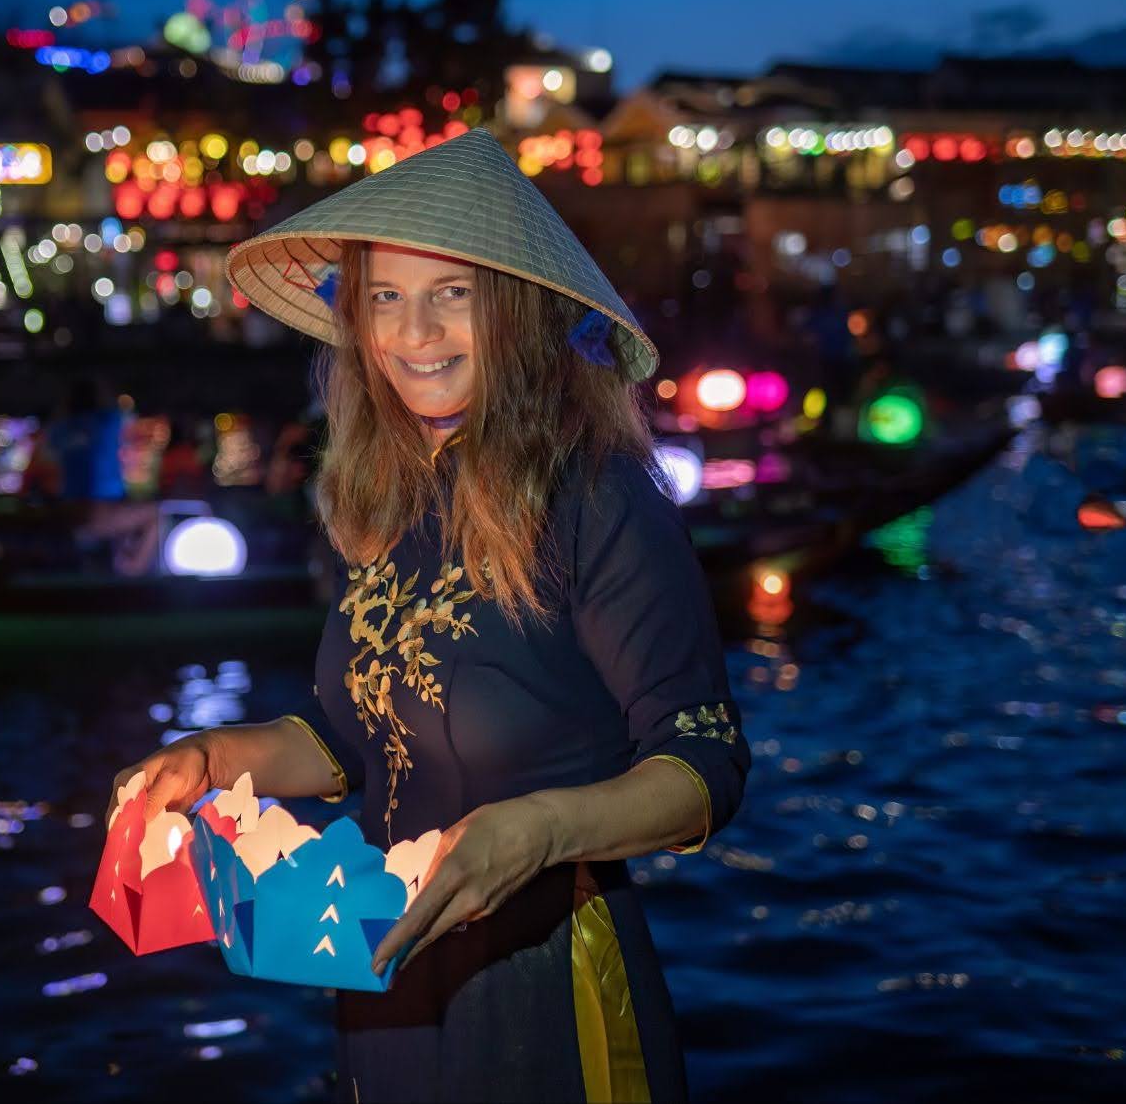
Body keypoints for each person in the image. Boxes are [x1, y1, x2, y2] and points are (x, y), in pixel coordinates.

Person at [106, 129, 751, 1102]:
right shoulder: (386, 506)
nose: (415, 332)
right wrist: (216, 756)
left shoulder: (597, 494)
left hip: (545, 980)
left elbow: (702, 764)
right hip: (382, 967)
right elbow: (346, 738)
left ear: (520, 313)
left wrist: (533, 832)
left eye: (453, 294)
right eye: (385, 298)